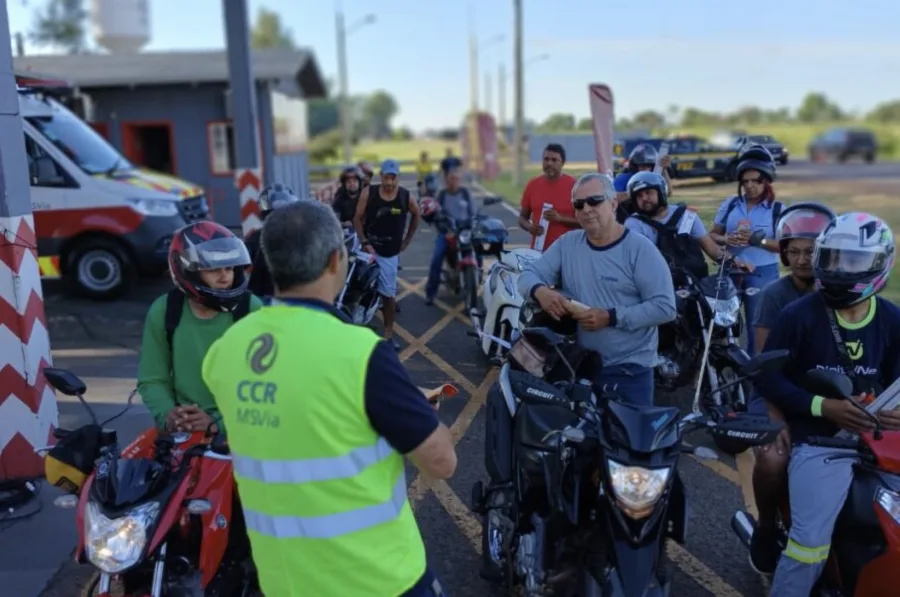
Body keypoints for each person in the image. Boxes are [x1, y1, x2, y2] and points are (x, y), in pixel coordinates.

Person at [202, 199, 456, 597]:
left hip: (284, 583)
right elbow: (442, 462)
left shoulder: (226, 350)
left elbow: (281, 421)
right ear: (337, 261)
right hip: (379, 580)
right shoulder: (362, 353)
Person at [755, 212, 900, 596]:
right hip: (821, 443)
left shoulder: (892, 319)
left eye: (851, 261)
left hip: (882, 443)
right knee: (808, 549)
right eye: (832, 258)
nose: (838, 269)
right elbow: (768, 376)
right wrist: (823, 407)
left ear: (879, 263)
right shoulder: (797, 316)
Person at [517, 172, 676, 404]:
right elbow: (527, 276)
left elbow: (664, 307)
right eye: (579, 205)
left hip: (629, 371)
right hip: (578, 366)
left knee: (627, 440)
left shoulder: (640, 250)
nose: (587, 209)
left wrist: (610, 317)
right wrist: (540, 291)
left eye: (594, 201)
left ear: (613, 204)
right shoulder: (567, 244)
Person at [746, 201, 836, 575]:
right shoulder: (773, 297)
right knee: (773, 458)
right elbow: (767, 366)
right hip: (774, 393)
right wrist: (776, 416)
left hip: (827, 395)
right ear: (783, 253)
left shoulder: (841, 292)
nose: (802, 260)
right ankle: (766, 527)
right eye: (794, 251)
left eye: (811, 252)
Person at [138, 221, 263, 433]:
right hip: (185, 429)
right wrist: (169, 415)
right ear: (188, 271)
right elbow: (152, 379)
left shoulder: (251, 310)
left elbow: (266, 388)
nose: (225, 277)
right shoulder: (165, 311)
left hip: (242, 430)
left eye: (230, 268)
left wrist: (218, 424)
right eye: (213, 269)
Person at [708, 144, 784, 355]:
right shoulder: (731, 204)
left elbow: (785, 247)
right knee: (721, 324)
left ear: (767, 181)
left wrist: (756, 241)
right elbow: (711, 235)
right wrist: (725, 238)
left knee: (757, 326)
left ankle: (755, 376)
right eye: (745, 181)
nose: (750, 186)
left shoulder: (778, 210)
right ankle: (722, 371)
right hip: (730, 268)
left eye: (756, 181)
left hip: (762, 272)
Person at [623, 171, 751, 281]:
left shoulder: (686, 215)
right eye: (639, 196)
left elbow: (712, 249)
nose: (644, 198)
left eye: (648, 192)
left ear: (661, 192)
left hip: (694, 283)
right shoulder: (634, 224)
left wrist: (735, 261)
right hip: (659, 285)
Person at [353, 158, 421, 349]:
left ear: (397, 178)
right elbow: (356, 218)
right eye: (386, 178)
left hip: (389, 253)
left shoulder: (406, 197)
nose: (389, 183)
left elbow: (417, 214)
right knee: (355, 284)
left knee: (388, 295)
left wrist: (407, 240)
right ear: (381, 176)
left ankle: (389, 334)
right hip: (367, 248)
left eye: (393, 178)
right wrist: (365, 242)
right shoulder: (369, 193)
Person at [423, 165, 480, 305]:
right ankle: (430, 293)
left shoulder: (465, 193)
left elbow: (473, 212)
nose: (454, 181)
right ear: (446, 180)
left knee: (478, 252)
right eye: (451, 178)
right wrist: (445, 229)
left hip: (465, 232)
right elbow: (437, 214)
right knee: (437, 258)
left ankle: (477, 280)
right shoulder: (442, 195)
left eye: (456, 178)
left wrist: (475, 222)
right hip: (448, 232)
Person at [517, 143, 579, 252]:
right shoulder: (533, 184)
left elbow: (584, 222)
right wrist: (530, 227)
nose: (549, 163)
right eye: (546, 159)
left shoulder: (575, 186)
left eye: (554, 160)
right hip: (538, 251)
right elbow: (522, 218)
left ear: (562, 163)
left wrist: (560, 218)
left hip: (567, 252)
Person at [245, 183, 300, 297]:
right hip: (293, 296)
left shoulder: (257, 235)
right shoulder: (303, 236)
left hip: (263, 297)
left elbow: (243, 261)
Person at [614, 143, 672, 223]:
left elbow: (668, 193)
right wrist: (634, 192)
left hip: (653, 217)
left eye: (648, 166)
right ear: (635, 165)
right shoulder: (623, 178)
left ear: (653, 166)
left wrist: (664, 170)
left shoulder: (654, 177)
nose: (645, 168)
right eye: (642, 165)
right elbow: (613, 198)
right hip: (628, 218)